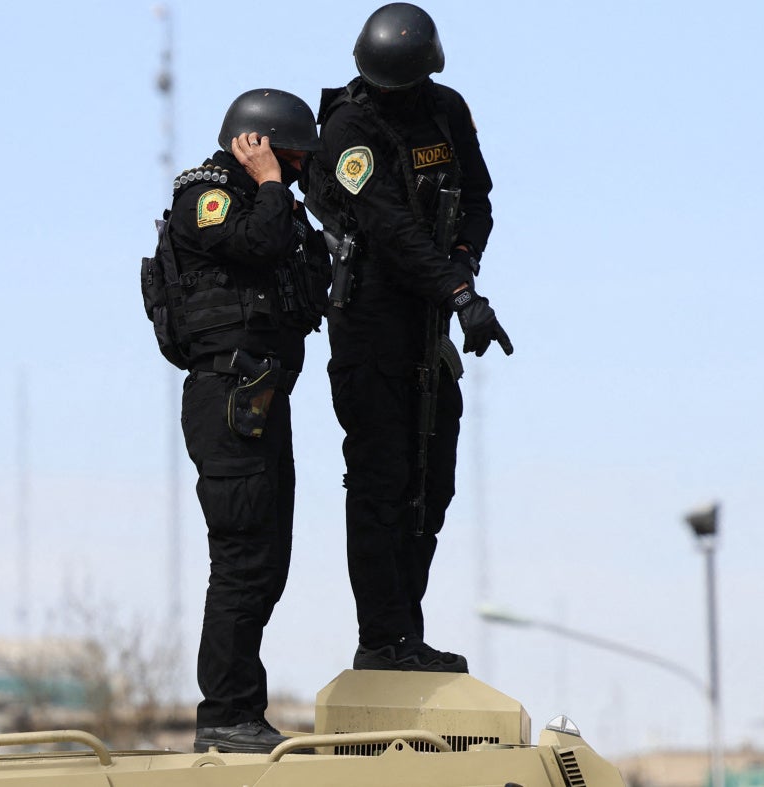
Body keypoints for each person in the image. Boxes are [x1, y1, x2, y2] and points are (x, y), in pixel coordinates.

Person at [305, 3, 513, 673]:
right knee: (382, 479)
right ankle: (383, 638)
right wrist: (460, 295)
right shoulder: (347, 132)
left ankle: (407, 633)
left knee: (433, 478)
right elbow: (391, 231)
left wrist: (463, 260)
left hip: (430, 320)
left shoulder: (447, 110)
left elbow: (477, 196)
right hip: (371, 319)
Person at [169, 88, 330, 753]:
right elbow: (257, 243)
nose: (294, 170)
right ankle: (226, 715)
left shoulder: (278, 209)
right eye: (286, 156)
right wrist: (268, 184)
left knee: (267, 560)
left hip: (261, 398)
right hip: (227, 396)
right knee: (239, 558)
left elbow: (310, 273)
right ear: (253, 145)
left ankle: (240, 709)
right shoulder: (207, 200)